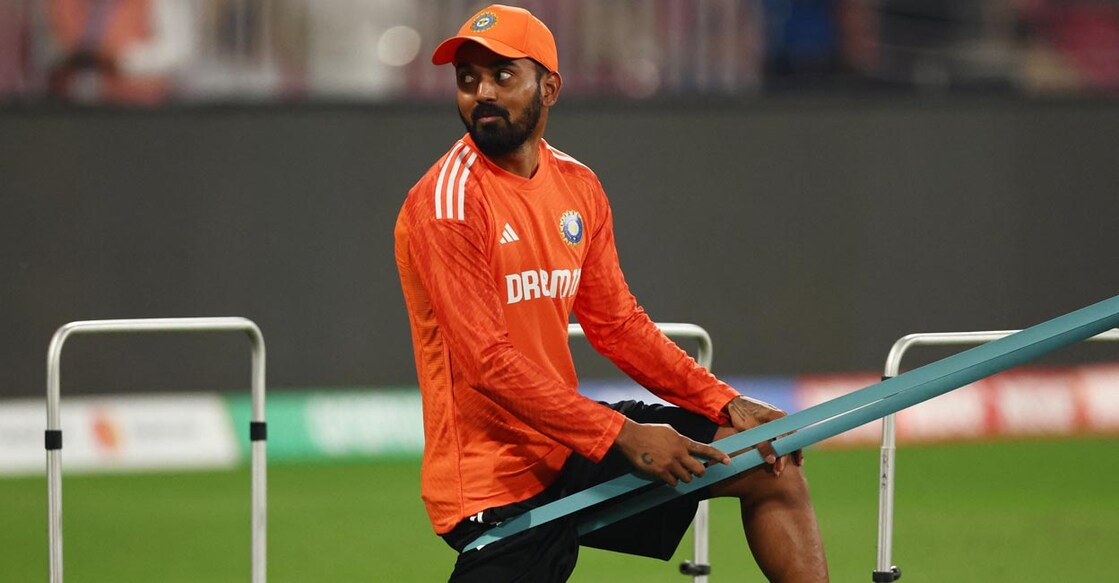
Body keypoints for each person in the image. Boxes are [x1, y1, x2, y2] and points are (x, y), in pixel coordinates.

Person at [394, 5, 829, 581]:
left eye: (503, 75)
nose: (482, 93)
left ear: (549, 88)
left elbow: (617, 325)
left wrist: (723, 402)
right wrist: (622, 436)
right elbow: (487, 364)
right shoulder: (447, 203)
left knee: (769, 463)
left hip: (565, 444)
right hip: (491, 482)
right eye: (467, 78)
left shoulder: (577, 185)